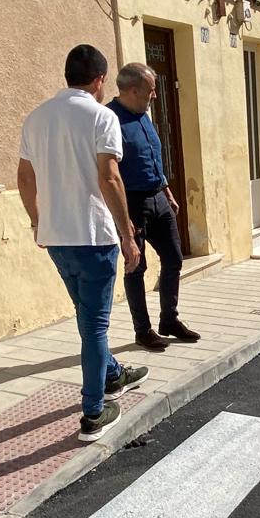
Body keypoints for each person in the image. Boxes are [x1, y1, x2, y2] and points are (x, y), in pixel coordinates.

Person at [17, 45, 149, 442]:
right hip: (93, 237)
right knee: (94, 324)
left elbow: (25, 178)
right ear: (99, 80)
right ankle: (94, 410)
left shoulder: (36, 118)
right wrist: (128, 235)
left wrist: (38, 221)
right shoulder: (101, 116)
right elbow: (110, 177)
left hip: (57, 238)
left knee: (86, 316)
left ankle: (111, 372)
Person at [107, 62, 200, 350]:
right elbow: (108, 173)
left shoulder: (144, 116)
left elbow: (152, 157)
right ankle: (143, 330)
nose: (155, 96)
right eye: (151, 90)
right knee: (136, 266)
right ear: (132, 90)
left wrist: (167, 191)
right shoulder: (110, 120)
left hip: (158, 196)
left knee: (174, 258)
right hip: (132, 202)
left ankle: (168, 320)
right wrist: (122, 219)